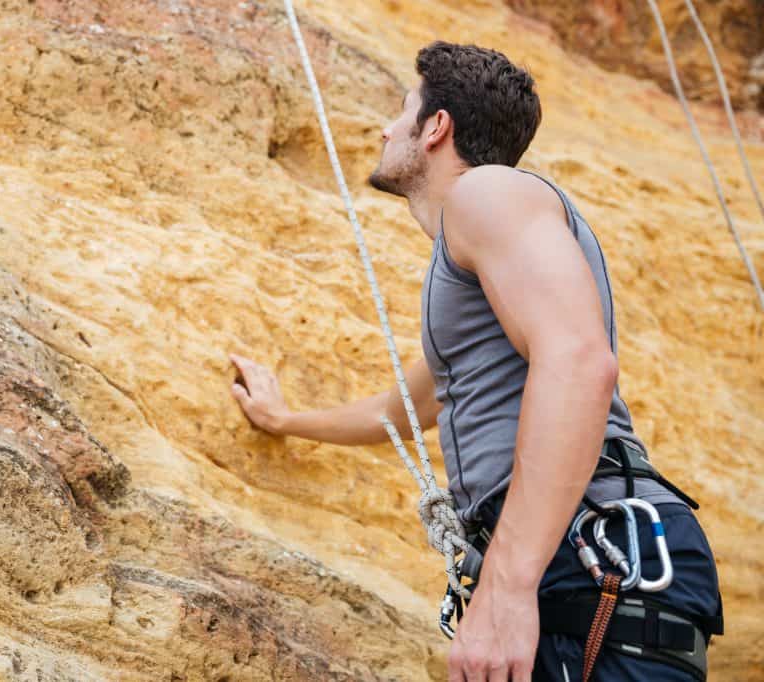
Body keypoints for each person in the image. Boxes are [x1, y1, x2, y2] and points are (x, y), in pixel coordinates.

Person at [229, 41, 722, 681]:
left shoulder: (487, 193)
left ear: (437, 127)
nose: (384, 129)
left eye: (400, 111)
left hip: (591, 560)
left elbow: (578, 362)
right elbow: (399, 410)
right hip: (585, 562)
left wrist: (507, 586)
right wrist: (285, 419)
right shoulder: (482, 267)